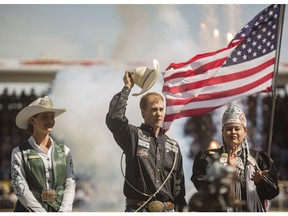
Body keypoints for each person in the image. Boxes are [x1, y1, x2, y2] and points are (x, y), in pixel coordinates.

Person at [106, 71, 187, 212]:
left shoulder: (173, 146)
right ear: (143, 112)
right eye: (154, 109)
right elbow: (114, 119)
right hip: (139, 209)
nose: (159, 114)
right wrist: (127, 88)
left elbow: (179, 187)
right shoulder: (133, 135)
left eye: (161, 109)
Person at [190, 104, 279, 212]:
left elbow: (272, 193)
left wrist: (260, 181)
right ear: (222, 132)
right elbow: (202, 188)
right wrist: (225, 173)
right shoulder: (208, 158)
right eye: (229, 129)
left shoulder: (258, 158)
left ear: (245, 132)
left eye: (237, 129)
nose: (233, 132)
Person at [11, 96, 76, 212]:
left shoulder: (65, 151)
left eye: (52, 117)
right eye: (45, 117)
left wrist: (64, 210)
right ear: (32, 120)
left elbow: (70, 183)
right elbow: (20, 188)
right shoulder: (19, 152)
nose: (50, 121)